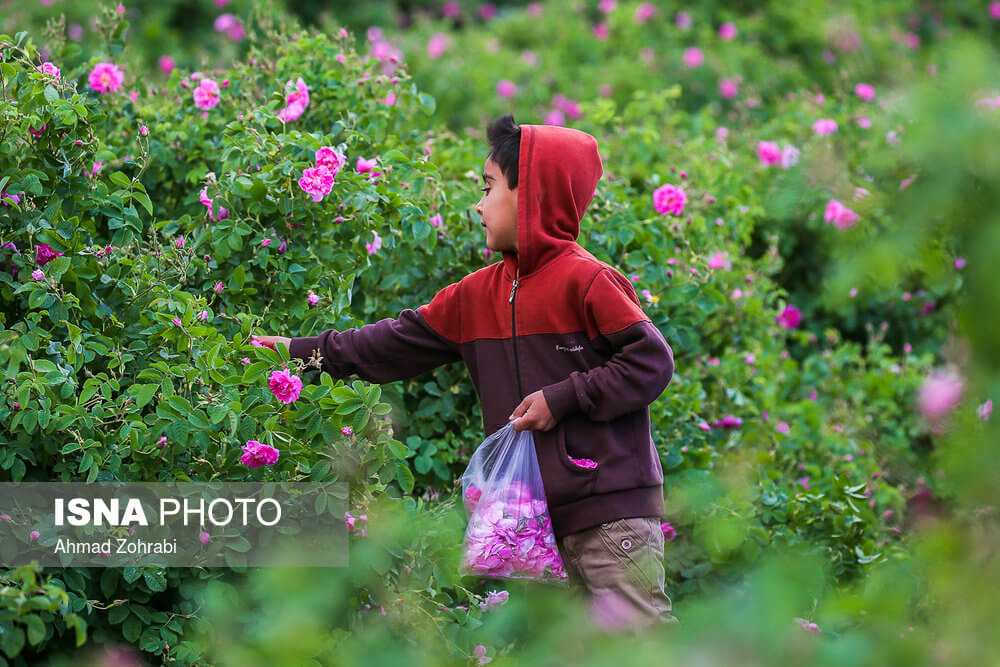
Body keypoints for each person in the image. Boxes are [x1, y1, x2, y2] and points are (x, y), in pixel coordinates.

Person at [253, 114, 678, 632]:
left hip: (610, 518)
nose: (478, 204)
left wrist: (561, 399)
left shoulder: (587, 281)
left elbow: (649, 362)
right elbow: (391, 343)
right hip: (534, 526)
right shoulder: (478, 295)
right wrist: (295, 355)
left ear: (533, 197)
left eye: (489, 187)